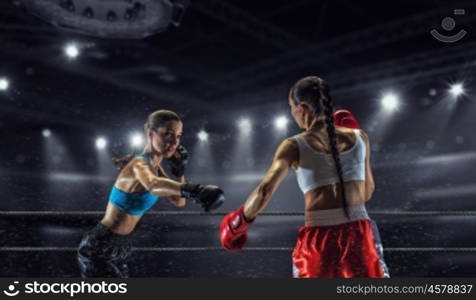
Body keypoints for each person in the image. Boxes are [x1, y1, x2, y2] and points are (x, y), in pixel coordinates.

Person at [219, 76, 389, 278]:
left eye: (291, 107)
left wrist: (238, 224)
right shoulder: (361, 137)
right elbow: (367, 192)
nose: (292, 113)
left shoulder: (293, 145)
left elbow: (265, 190)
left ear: (302, 108)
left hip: (320, 239)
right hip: (360, 235)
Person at [78, 109, 224, 278]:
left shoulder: (155, 168)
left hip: (120, 246)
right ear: (150, 134)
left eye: (178, 136)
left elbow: (178, 201)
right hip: (100, 246)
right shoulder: (139, 164)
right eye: (168, 134)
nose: (174, 142)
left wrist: (179, 172)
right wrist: (196, 190)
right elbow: (153, 185)